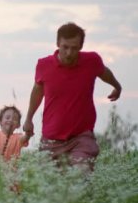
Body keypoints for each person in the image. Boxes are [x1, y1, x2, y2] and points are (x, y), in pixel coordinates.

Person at [23, 22, 122, 174]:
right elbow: (37, 90)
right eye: (65, 47)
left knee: (80, 175)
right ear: (58, 44)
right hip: (51, 139)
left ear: (81, 47)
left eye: (74, 48)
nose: (69, 53)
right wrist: (29, 118)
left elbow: (103, 71)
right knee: (48, 187)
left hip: (81, 137)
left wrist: (117, 86)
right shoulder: (43, 65)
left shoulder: (92, 61)